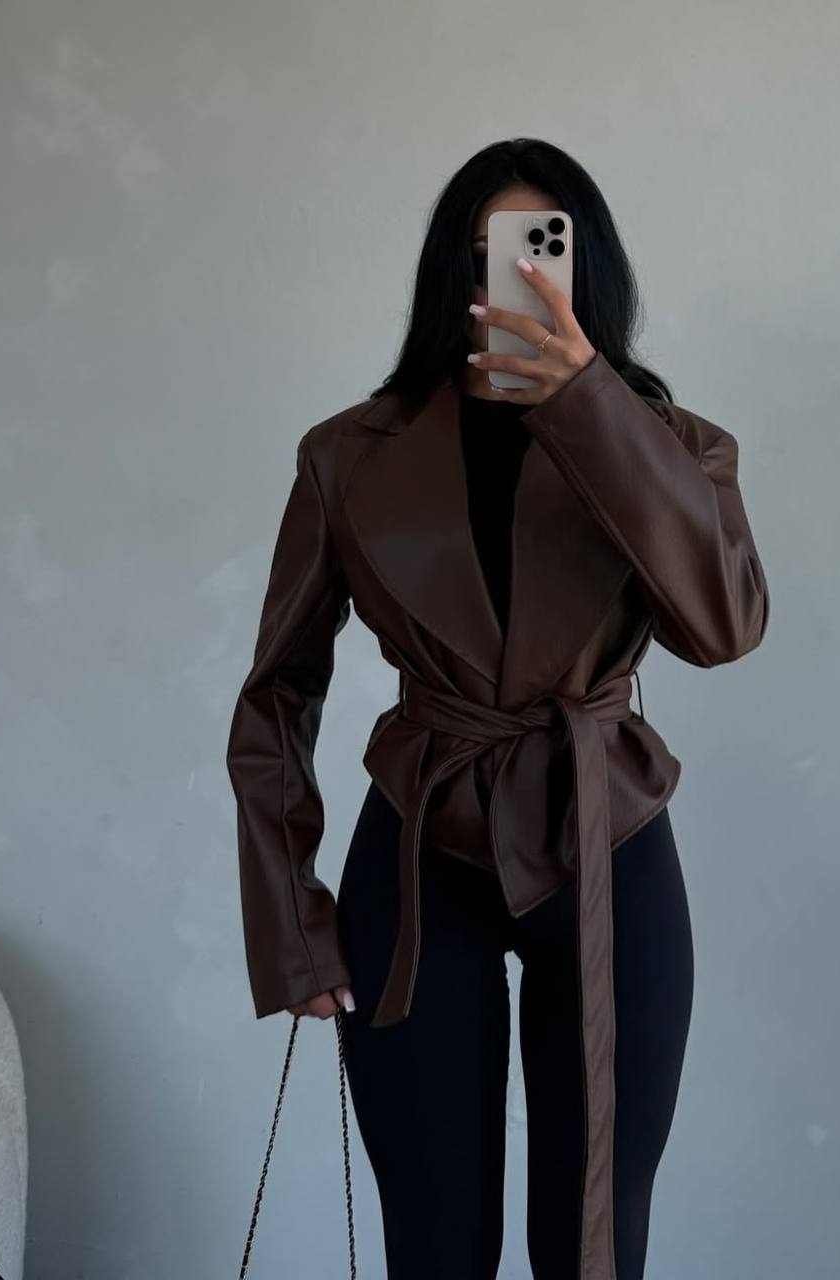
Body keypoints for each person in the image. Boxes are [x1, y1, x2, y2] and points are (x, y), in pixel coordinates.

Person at [226, 136, 769, 1280]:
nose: (509, 277)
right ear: (447, 272)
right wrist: (288, 917)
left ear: (583, 268)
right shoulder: (347, 455)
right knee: (434, 1243)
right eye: (484, 254)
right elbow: (277, 687)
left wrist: (588, 404)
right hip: (417, 854)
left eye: (537, 251)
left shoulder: (673, 448)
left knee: (594, 1243)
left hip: (607, 843)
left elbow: (720, 626)